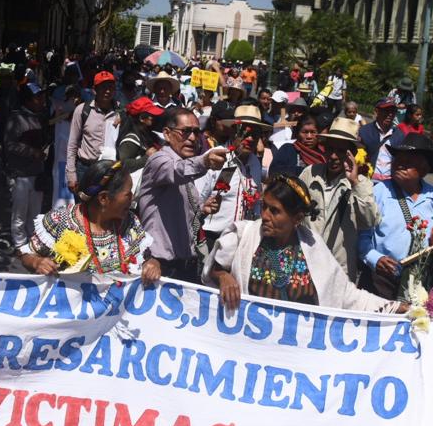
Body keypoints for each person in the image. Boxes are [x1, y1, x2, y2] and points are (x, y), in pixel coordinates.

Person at [204, 174, 402, 314]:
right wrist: (224, 277)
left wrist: (395, 308)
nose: (264, 216)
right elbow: (213, 269)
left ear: (297, 218)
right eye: (264, 207)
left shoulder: (314, 249)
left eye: (275, 211)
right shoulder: (243, 235)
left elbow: (347, 295)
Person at [20, 160, 160, 285]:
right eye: (128, 194)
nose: (133, 197)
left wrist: (153, 264)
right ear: (104, 198)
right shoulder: (60, 220)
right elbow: (25, 255)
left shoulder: (130, 223)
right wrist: (36, 262)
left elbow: (147, 258)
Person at [138, 108, 226, 283]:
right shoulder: (159, 160)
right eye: (185, 132)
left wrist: (202, 209)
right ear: (167, 134)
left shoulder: (185, 164)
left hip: (185, 267)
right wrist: (205, 161)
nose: (193, 138)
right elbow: (176, 171)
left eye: (196, 132)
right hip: (158, 267)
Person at [359, 133, 433, 300]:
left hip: (419, 281)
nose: (399, 165)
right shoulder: (377, 192)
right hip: (381, 278)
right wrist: (375, 258)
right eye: (397, 160)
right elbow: (362, 234)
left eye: (408, 163)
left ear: (423, 169)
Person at [299, 117, 378, 282]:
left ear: (353, 154)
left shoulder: (361, 183)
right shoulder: (309, 173)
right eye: (330, 149)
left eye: (341, 151)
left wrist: (354, 182)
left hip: (338, 269)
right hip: (305, 262)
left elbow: (369, 221)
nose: (334, 156)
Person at [197, 104, 268, 251]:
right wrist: (204, 209)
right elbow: (195, 201)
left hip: (243, 240)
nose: (249, 139)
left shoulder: (255, 162)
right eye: (244, 133)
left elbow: (255, 201)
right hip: (214, 239)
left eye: (255, 134)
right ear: (233, 132)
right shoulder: (215, 157)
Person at [3, 83, 48, 251]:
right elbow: (9, 145)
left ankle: (33, 240)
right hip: (20, 174)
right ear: (28, 100)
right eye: (38, 97)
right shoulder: (15, 118)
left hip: (37, 173)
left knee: (35, 213)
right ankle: (20, 244)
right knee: (20, 213)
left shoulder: (40, 117)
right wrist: (32, 152)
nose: (42, 101)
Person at [66, 71, 118, 192]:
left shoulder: (120, 111)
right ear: (94, 90)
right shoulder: (82, 110)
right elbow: (72, 144)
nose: (108, 91)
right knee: (83, 207)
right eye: (103, 87)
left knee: (106, 208)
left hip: (110, 170)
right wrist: (71, 174)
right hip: (85, 169)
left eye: (111, 87)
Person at [359, 97, 405, 182]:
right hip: (366, 180)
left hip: (389, 184)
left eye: (393, 111)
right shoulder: (364, 132)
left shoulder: (400, 135)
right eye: (386, 110)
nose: (390, 114)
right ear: (377, 111)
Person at [116, 97, 163, 174]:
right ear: (141, 118)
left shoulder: (147, 134)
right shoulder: (130, 141)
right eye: (151, 114)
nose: (154, 117)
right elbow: (123, 164)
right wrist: (146, 158)